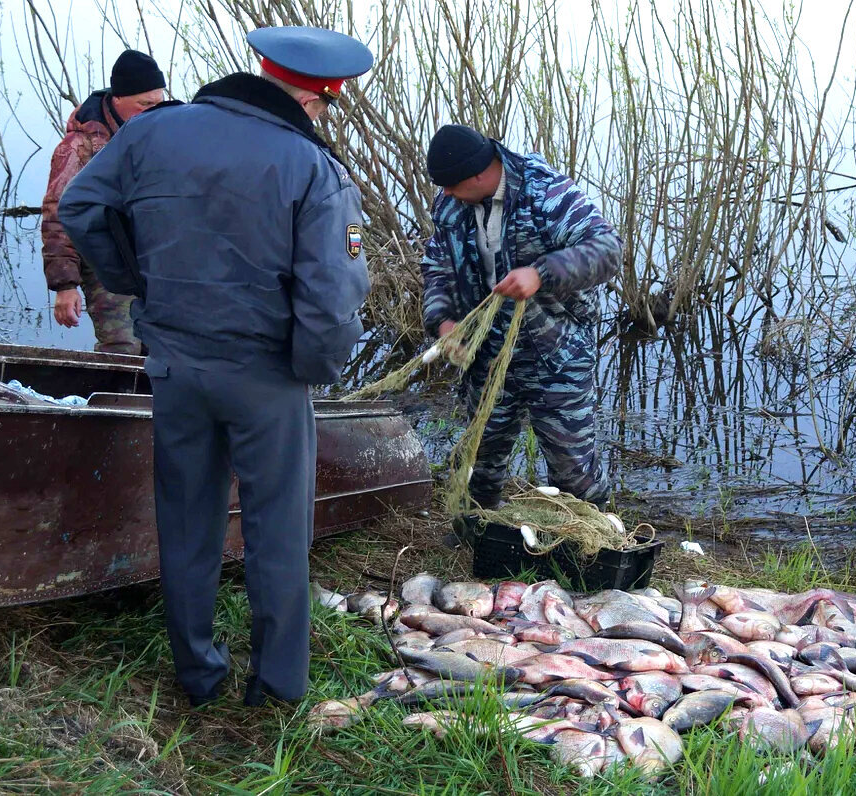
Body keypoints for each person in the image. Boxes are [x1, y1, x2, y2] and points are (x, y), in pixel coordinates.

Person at [58, 27, 373, 707]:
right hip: (266, 375)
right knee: (277, 532)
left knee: (187, 519)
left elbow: (81, 208)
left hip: (175, 362)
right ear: (321, 97)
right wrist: (309, 369)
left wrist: (139, 282)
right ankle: (277, 687)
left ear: (259, 70)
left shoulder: (152, 132)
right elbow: (334, 292)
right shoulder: (313, 166)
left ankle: (198, 674)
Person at [421, 124, 621, 509]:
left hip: (556, 350)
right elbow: (437, 266)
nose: (444, 193)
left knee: (573, 467)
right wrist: (444, 323)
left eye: (451, 184)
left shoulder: (547, 194)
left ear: (479, 174)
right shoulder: (450, 205)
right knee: (479, 456)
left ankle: (589, 546)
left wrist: (541, 273)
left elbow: (607, 250)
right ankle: (475, 532)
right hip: (487, 350)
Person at [41, 49, 166, 354]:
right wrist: (65, 285)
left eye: (158, 104)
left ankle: (153, 400)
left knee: (162, 343)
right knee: (122, 344)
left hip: (152, 258)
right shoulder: (77, 147)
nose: (153, 111)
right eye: (144, 104)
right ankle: (109, 396)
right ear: (118, 99)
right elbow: (57, 215)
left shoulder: (162, 135)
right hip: (102, 259)